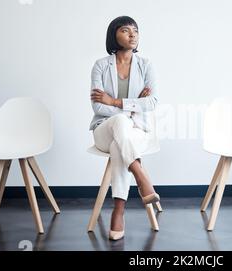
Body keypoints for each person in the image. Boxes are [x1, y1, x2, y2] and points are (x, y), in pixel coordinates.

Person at [89, 16, 159, 241]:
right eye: (126, 30)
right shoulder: (101, 65)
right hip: (103, 128)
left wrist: (116, 102)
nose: (132, 35)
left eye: (135, 31)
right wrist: (131, 107)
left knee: (119, 145)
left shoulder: (146, 65)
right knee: (120, 124)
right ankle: (140, 175)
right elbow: (98, 105)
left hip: (136, 131)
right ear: (114, 35)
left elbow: (152, 103)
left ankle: (118, 211)